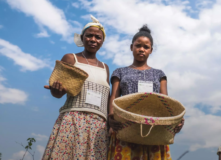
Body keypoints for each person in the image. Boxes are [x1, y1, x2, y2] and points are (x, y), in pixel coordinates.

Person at [107, 25, 184, 160]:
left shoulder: (159, 74)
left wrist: (176, 119)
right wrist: (111, 118)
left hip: (153, 130)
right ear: (131, 47)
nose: (141, 49)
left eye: (146, 47)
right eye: (138, 45)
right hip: (126, 127)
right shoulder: (119, 72)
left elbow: (165, 101)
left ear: (151, 50)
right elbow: (114, 97)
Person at [42, 15, 110, 159]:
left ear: (102, 41)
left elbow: (108, 99)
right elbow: (58, 93)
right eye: (89, 35)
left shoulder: (105, 67)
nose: (93, 39)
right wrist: (56, 90)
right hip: (73, 119)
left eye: (98, 37)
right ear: (82, 37)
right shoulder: (71, 58)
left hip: (99, 126)